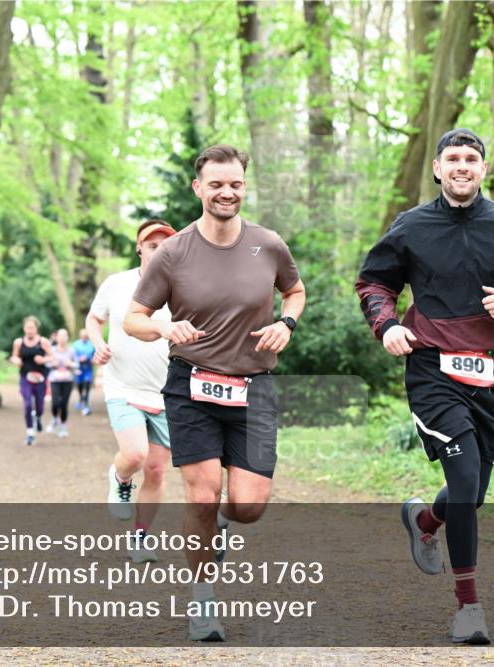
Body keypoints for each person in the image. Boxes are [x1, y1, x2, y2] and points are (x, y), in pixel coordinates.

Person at [355, 129, 494, 645]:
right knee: (467, 478)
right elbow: (375, 282)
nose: (461, 166)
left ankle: (425, 519)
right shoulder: (411, 226)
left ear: (482, 169)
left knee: (470, 495)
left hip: (492, 374)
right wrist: (387, 325)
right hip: (432, 369)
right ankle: (469, 609)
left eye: (471, 159)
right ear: (436, 168)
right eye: (452, 158)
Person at [124, 145, 305, 642]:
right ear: (198, 188)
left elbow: (295, 289)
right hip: (192, 385)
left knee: (248, 506)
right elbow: (132, 319)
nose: (227, 192)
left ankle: (222, 529)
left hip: (255, 386)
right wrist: (165, 329)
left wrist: (286, 323)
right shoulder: (173, 251)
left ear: (244, 187)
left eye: (236, 184)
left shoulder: (268, 244)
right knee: (203, 496)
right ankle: (202, 600)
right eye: (217, 184)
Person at [86, 220, 178, 564]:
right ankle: (120, 476)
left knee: (156, 470)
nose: (158, 249)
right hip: (122, 385)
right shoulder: (117, 284)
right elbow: (94, 320)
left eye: (164, 244)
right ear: (139, 248)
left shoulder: (182, 287)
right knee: (136, 455)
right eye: (151, 244)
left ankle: (140, 537)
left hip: (166, 392)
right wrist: (98, 345)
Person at [9, 316, 54, 446]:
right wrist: (15, 360)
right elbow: (14, 356)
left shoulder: (43, 342)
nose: (30, 330)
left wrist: (43, 360)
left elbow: (52, 357)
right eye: (28, 328)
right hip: (25, 378)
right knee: (28, 404)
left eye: (32, 328)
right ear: (24, 328)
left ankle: (38, 417)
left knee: (39, 406)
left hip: (40, 378)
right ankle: (30, 433)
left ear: (36, 328)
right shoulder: (18, 342)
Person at [48, 328, 79, 438]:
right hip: (55, 379)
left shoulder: (72, 351)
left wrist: (70, 364)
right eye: (60, 336)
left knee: (64, 404)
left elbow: (77, 364)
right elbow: (46, 364)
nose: (62, 338)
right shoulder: (51, 350)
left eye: (64, 336)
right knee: (55, 403)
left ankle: (63, 427)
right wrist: (53, 363)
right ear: (56, 338)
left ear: (67, 338)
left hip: (68, 380)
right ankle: (55, 419)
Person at [73, 330, 96, 415]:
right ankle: (80, 398)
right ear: (80, 336)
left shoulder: (91, 345)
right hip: (79, 369)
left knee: (87, 384)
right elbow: (73, 356)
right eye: (83, 335)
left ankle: (86, 403)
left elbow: (95, 356)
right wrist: (79, 359)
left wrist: (93, 360)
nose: (84, 337)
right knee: (79, 385)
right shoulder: (76, 344)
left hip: (88, 369)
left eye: (86, 336)